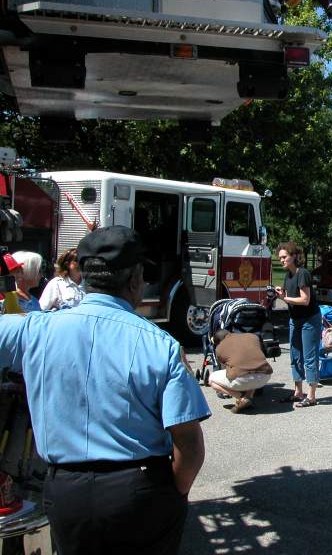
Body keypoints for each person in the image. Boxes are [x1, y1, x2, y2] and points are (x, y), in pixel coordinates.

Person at [0, 226, 210, 554]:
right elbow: (189, 444)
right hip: (140, 490)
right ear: (134, 280)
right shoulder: (162, 345)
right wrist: (173, 495)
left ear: (83, 278)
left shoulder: (35, 330)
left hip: (65, 493)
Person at [275, 242, 321, 408]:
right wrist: (281, 293)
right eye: (280, 258)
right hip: (295, 319)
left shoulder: (303, 274)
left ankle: (312, 396)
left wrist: (284, 299)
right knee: (295, 356)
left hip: (310, 319)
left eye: (284, 257)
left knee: (309, 357)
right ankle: (297, 392)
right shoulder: (288, 275)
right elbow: (290, 294)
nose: (281, 260)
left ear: (294, 256)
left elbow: (305, 299)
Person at [208, 330, 274, 413]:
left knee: (211, 380)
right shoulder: (252, 336)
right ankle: (248, 397)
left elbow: (224, 367)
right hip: (265, 376)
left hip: (243, 379)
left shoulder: (220, 348)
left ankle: (241, 398)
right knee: (251, 368)